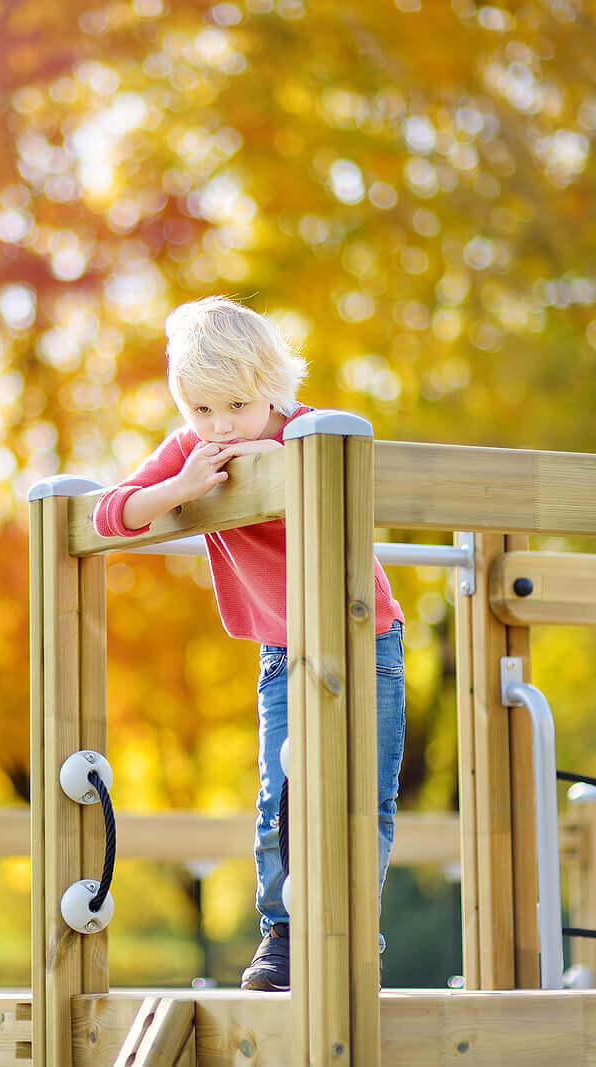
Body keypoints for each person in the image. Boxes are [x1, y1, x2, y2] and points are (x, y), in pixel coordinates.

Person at [92, 296, 406, 992]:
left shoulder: (309, 431)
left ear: (272, 387)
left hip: (365, 638)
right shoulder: (192, 449)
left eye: (235, 406)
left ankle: (357, 936)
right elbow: (109, 512)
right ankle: (284, 936)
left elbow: (364, 470)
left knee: (364, 795)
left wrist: (279, 456)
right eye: (200, 411)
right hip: (280, 647)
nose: (219, 425)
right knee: (280, 796)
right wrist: (178, 487)